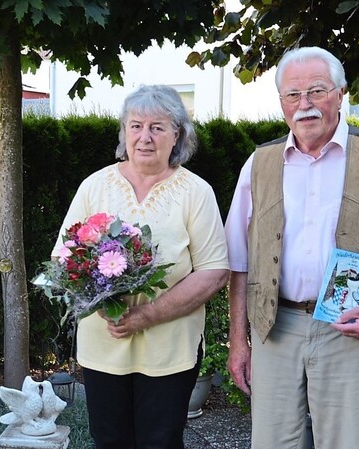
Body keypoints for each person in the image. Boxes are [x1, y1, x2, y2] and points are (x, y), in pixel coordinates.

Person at [225, 46, 359, 449]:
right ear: (281, 102)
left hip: (350, 330)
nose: (305, 105)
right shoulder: (259, 163)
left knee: (348, 443)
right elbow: (239, 263)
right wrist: (237, 341)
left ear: (340, 93)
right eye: (293, 95)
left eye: (317, 91)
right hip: (274, 330)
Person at [52, 85, 229, 448]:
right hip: (104, 347)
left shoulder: (196, 192)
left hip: (169, 350)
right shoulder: (95, 186)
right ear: (124, 132)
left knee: (160, 442)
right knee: (109, 440)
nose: (144, 138)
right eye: (135, 126)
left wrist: (148, 315)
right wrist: (102, 306)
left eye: (157, 127)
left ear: (177, 134)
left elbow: (214, 271)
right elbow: (64, 258)